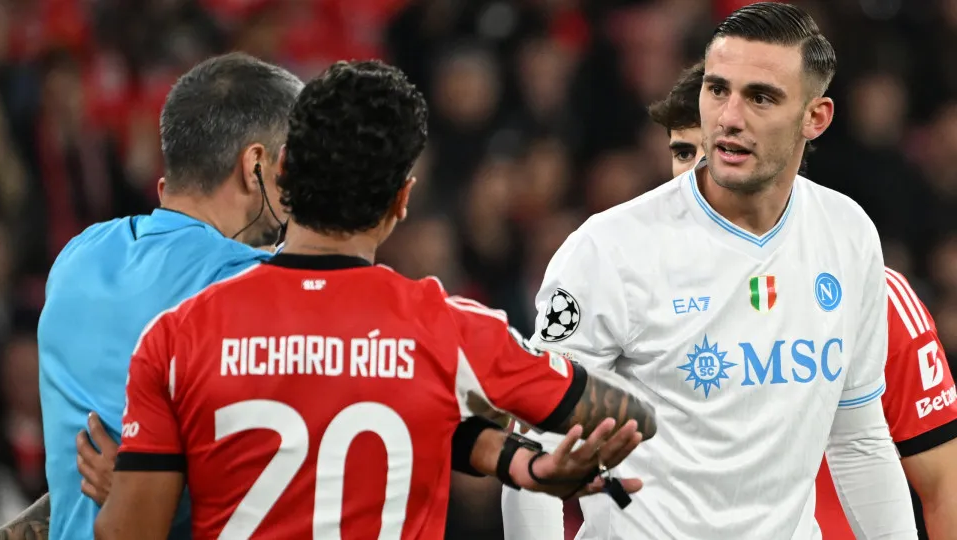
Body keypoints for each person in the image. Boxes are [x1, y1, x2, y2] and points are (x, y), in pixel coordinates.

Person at [93, 60, 657, 540]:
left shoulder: (177, 336)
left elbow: (128, 535)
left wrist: (124, 498)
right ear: (402, 200)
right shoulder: (451, 333)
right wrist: (495, 446)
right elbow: (629, 414)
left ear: (282, 169)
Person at [502, 3, 920, 539]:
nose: (729, 117)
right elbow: (536, 441)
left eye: (761, 97)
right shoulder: (610, 250)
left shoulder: (847, 234)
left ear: (815, 118)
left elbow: (859, 439)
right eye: (718, 89)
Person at [645, 58, 957, 540]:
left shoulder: (875, 295)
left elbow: (944, 487)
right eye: (685, 153)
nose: (700, 174)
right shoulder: (631, 295)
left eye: (722, 151)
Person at [27, 52, 304, 540]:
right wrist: (146, 500)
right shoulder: (259, 288)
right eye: (290, 166)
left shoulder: (76, 258)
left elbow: (76, 467)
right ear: (255, 164)